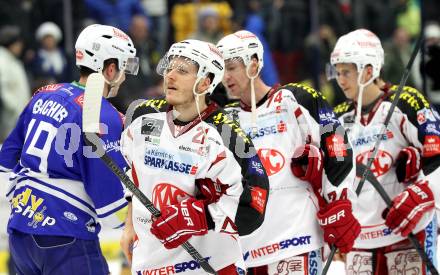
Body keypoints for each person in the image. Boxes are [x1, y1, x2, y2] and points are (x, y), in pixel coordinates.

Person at [119, 39, 270, 274]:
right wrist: (129, 225)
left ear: (205, 83)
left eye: (182, 71)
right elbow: (133, 173)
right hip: (150, 263)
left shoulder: (227, 133)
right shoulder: (143, 116)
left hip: (210, 264)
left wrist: (200, 216)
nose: (170, 76)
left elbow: (255, 205)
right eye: (169, 68)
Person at [217, 30, 360, 274]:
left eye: (231, 67)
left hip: (298, 237)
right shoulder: (224, 119)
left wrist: (340, 200)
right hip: (246, 248)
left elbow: (337, 146)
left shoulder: (295, 98)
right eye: (222, 70)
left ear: (253, 63)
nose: (225, 77)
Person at [0, 24, 139, 275]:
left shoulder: (43, 94)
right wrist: (137, 228)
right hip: (65, 235)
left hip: (19, 232)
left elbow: (6, 157)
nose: (125, 76)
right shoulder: (103, 115)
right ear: (110, 68)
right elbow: (108, 199)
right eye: (123, 68)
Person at [331, 28, 440, 274]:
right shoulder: (338, 118)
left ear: (368, 71)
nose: (340, 80)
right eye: (337, 72)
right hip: (359, 240)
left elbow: (437, 156)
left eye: (346, 72)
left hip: (406, 233)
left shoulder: (406, 102)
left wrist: (423, 193)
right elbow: (332, 178)